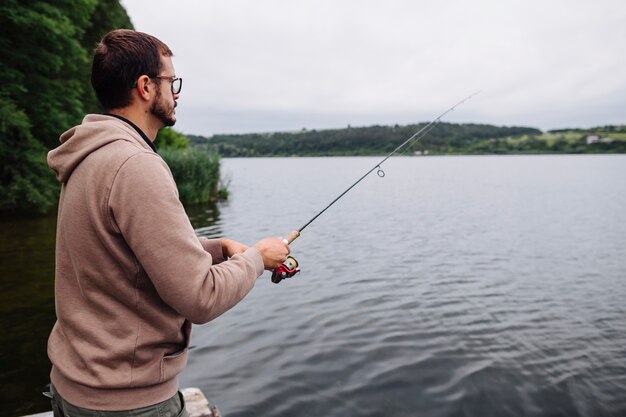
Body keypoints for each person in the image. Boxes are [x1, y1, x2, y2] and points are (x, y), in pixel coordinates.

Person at [45, 29, 291, 416]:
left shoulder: (88, 155)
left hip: (74, 387)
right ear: (145, 87)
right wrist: (258, 258)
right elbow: (201, 298)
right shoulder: (135, 166)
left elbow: (117, 255)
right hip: (126, 403)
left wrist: (215, 248)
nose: (176, 93)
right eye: (170, 81)